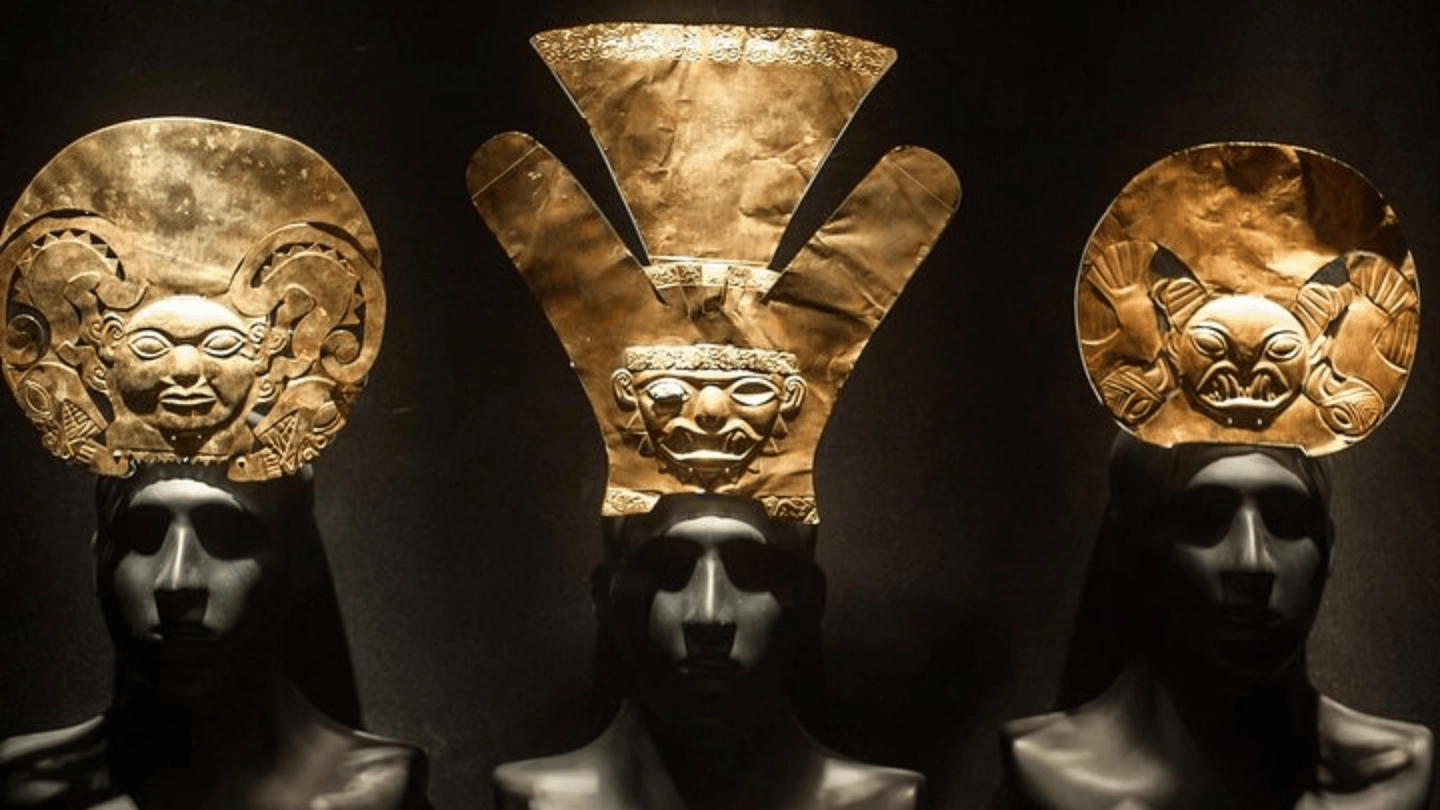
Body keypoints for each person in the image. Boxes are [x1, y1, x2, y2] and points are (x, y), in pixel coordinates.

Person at [1000, 436, 1432, 810]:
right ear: (1127, 546)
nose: (1252, 563)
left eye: (1286, 518)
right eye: (1204, 516)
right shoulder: (1046, 768)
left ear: (1329, 549)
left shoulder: (1393, 772)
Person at [0, 464, 430, 810]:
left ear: (299, 565)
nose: (175, 582)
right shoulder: (24, 783)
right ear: (98, 563)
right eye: (144, 534)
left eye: (226, 536)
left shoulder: (374, 792)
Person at [496, 494, 921, 810]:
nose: (709, 616)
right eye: (669, 569)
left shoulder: (886, 800)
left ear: (809, 599)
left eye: (752, 569)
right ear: (606, 597)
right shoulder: (535, 798)